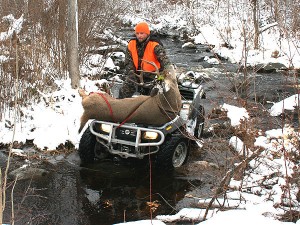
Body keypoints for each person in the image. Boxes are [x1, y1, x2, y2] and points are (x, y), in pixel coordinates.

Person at [119, 21, 171, 98]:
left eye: (142, 33)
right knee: (124, 91)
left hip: (152, 76)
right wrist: (131, 74)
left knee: (152, 98)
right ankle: (121, 106)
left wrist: (165, 74)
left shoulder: (155, 45)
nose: (139, 36)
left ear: (147, 33)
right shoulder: (131, 44)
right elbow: (128, 62)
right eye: (137, 33)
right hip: (136, 75)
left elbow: (165, 60)